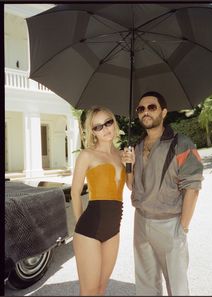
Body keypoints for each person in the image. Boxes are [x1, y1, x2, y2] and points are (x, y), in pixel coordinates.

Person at [122, 91, 204, 296]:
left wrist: (182, 227)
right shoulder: (137, 146)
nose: (145, 112)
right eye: (141, 109)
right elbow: (132, 187)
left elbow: (192, 188)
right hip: (141, 221)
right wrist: (128, 166)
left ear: (164, 112)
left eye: (151, 107)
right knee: (146, 284)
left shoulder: (182, 143)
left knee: (176, 287)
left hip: (169, 224)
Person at [71, 106, 126, 296]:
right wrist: (80, 224)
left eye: (108, 122)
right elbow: (75, 192)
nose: (105, 129)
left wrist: (132, 166)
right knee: (89, 291)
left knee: (101, 289)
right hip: (89, 230)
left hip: (113, 229)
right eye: (98, 127)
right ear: (92, 132)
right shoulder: (87, 155)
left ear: (114, 122)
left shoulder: (122, 155)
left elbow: (133, 189)